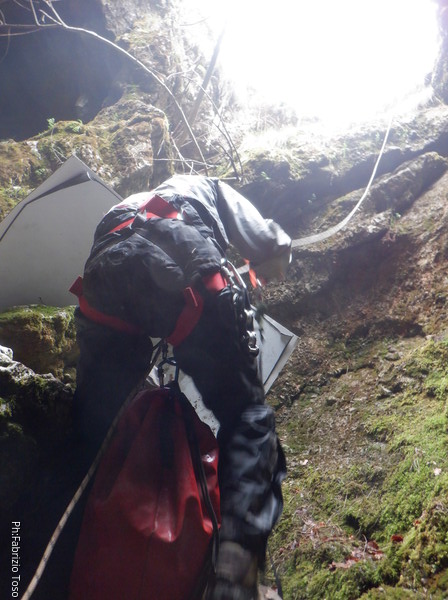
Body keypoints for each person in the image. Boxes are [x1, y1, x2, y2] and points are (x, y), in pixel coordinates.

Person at [71, 174, 291, 600]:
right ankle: (234, 578)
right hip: (184, 276)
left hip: (105, 282)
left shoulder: (127, 204)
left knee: (90, 436)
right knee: (247, 421)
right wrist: (270, 261)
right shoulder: (209, 186)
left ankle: (42, 559)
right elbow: (271, 246)